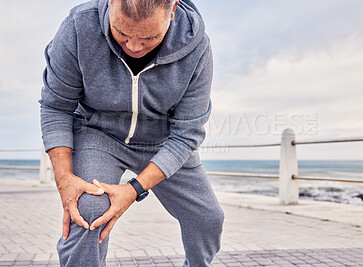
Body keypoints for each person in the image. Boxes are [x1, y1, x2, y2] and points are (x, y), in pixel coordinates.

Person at [39, 0, 224, 266]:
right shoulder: (79, 26)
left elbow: (186, 134)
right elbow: (56, 107)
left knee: (208, 219)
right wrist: (64, 178)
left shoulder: (197, 47)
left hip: (164, 140)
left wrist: (133, 189)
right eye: (122, 33)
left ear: (171, 11)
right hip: (97, 133)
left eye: (150, 37)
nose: (134, 47)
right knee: (89, 211)